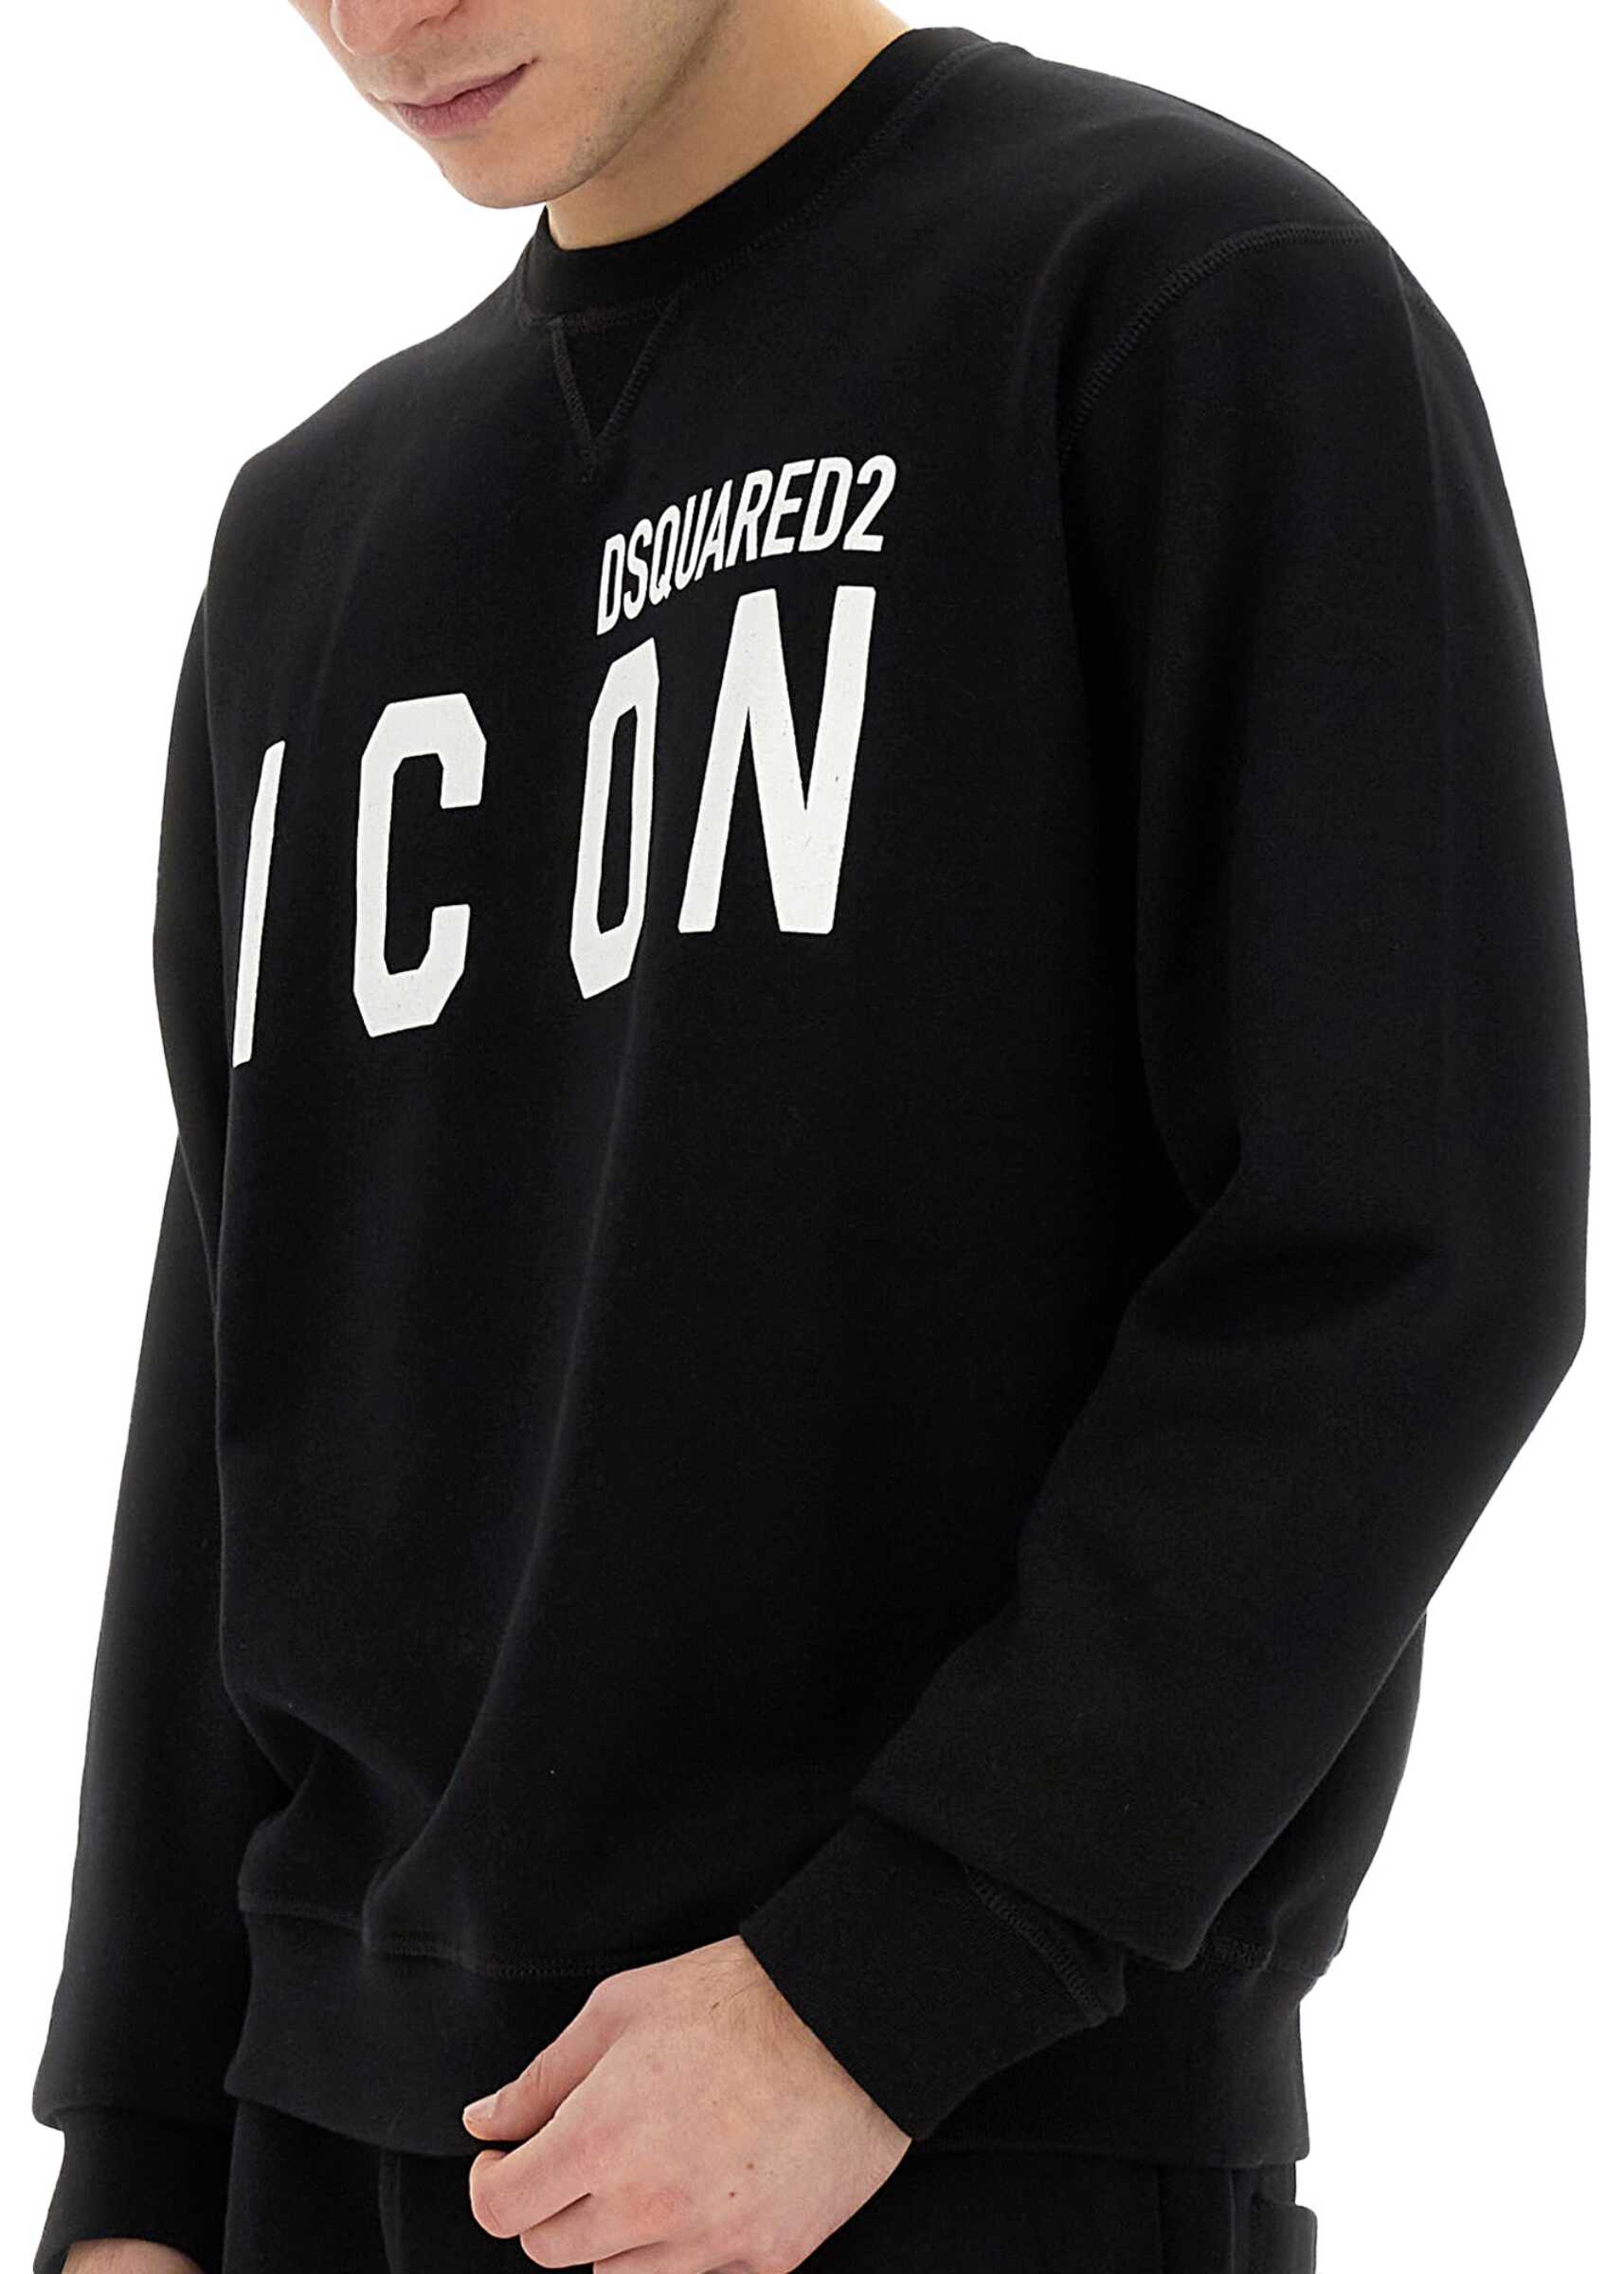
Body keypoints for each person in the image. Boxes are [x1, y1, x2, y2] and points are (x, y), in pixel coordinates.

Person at [31, 5, 1589, 2272]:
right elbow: (239, 1371)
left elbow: (1400, 1249)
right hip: (324, 2155)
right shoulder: (313, 533)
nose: (382, 14)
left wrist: (890, 1977)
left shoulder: (1174, 299)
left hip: (937, 2142)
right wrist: (142, 2154)